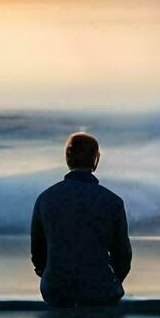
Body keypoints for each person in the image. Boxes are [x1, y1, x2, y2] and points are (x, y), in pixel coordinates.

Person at [30, 132, 133, 308]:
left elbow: (38, 253)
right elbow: (123, 255)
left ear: (67, 158)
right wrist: (110, 279)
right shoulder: (112, 201)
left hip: (55, 289)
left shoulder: (46, 199)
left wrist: (51, 275)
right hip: (100, 290)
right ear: (96, 159)